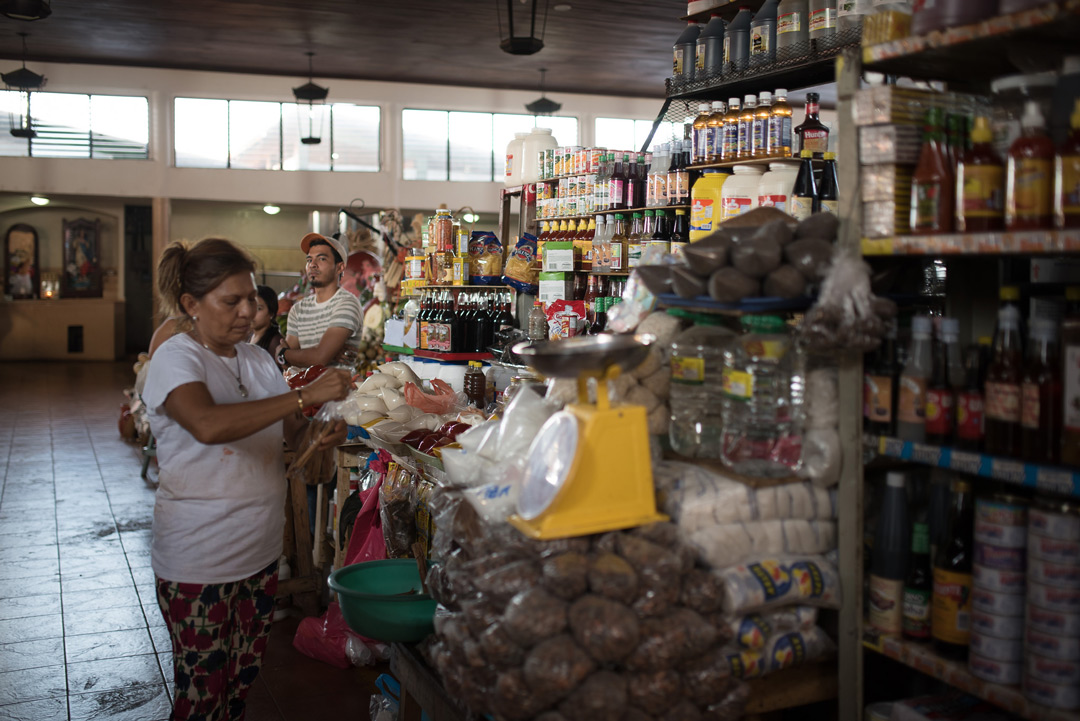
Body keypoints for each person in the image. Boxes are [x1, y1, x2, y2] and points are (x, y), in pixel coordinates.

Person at [142, 237, 351, 720]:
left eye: (251, 299)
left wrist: (321, 433)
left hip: (257, 555)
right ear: (192, 305)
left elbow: (292, 437)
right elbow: (209, 424)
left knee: (238, 687)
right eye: (229, 301)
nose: (245, 312)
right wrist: (305, 396)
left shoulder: (258, 361)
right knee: (202, 695)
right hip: (199, 561)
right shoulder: (178, 358)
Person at [275, 232, 361, 372]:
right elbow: (287, 365)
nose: (313, 265)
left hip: (337, 391)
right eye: (309, 260)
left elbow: (320, 358)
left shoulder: (347, 304)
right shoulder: (298, 309)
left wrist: (282, 353)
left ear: (340, 267)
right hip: (303, 389)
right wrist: (292, 356)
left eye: (321, 259)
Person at [250, 284, 284, 364]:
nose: (252, 313)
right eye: (251, 306)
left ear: (271, 313)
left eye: (259, 308)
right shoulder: (249, 336)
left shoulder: (275, 342)